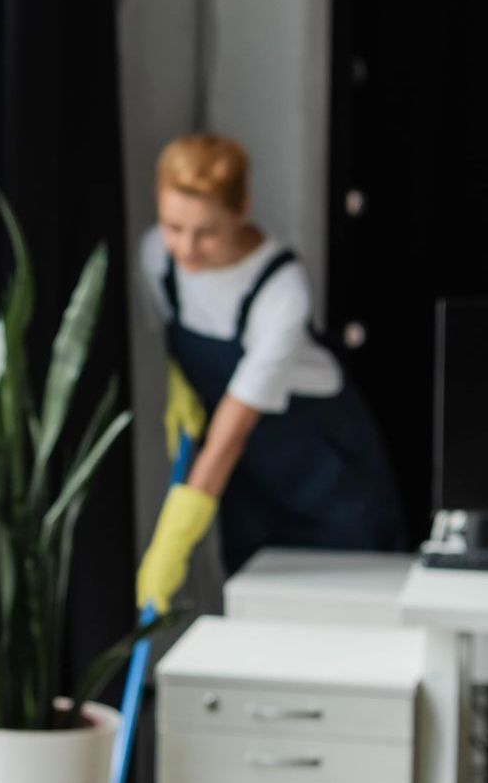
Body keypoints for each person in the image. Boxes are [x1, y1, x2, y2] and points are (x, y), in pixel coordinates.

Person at [135, 132, 403, 611]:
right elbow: (177, 333)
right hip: (247, 479)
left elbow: (230, 433)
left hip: (323, 466)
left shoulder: (280, 290)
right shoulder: (157, 257)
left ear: (242, 210)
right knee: (256, 610)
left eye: (207, 233)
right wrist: (183, 388)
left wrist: (172, 540)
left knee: (349, 612)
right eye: (174, 226)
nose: (187, 249)